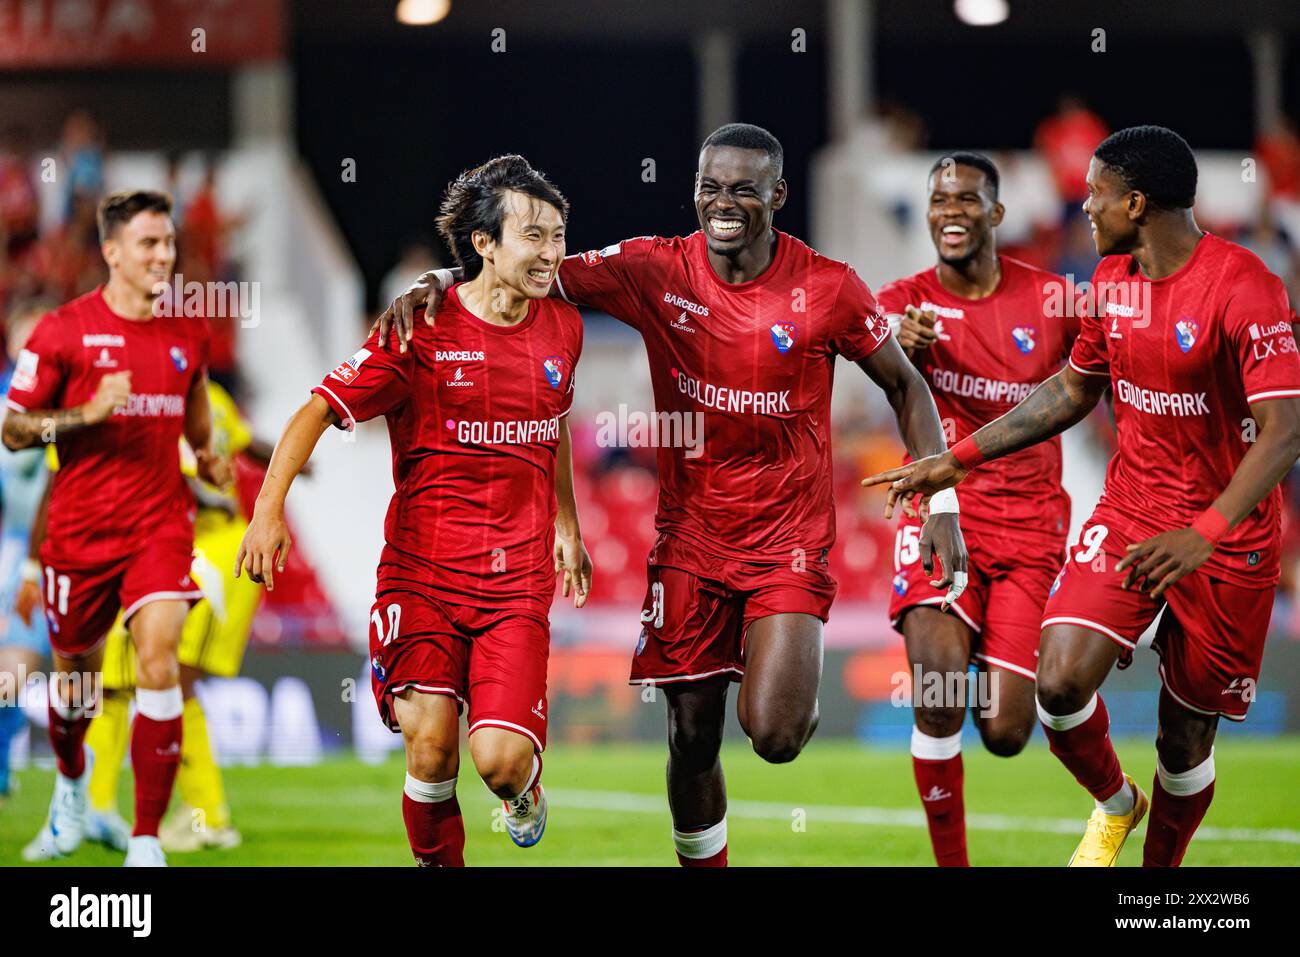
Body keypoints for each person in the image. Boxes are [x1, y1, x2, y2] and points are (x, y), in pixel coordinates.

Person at [377, 123, 967, 866]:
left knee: (776, 734)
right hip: (689, 540)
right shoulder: (654, 268)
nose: (723, 202)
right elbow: (523, 272)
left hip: (786, 541)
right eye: (710, 186)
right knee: (690, 738)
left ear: (778, 196)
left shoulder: (828, 287)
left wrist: (939, 497)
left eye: (744, 189)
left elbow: (904, 385)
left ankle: (781, 678)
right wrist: (439, 282)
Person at [863, 126, 1300, 867]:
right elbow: (1071, 390)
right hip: (1130, 513)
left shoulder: (1246, 287)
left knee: (1184, 737)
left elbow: (1284, 431)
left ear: (1136, 201)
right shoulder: (1108, 283)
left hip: (1229, 536)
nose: (1084, 209)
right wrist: (955, 460)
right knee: (1058, 683)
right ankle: (1115, 802)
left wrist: (1208, 530)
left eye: (1096, 194)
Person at [238, 155, 591, 866]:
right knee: (430, 748)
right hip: (421, 573)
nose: (551, 251)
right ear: (485, 244)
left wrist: (567, 523)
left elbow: (549, 424)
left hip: (515, 584)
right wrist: (267, 509)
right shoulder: (418, 330)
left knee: (496, 761)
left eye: (558, 235)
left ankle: (524, 788)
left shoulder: (563, 329)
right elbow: (317, 408)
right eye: (534, 234)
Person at [3, 189, 229, 867]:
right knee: (76, 689)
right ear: (111, 251)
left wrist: (212, 458)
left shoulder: (190, 332)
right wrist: (84, 415)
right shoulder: (61, 332)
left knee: (160, 656)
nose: (164, 255)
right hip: (77, 536)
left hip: (159, 527)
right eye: (149, 244)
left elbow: (196, 427)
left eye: (168, 243)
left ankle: (145, 838)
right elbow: (14, 430)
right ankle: (71, 787)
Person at [877, 152, 1079, 866]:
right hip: (942, 509)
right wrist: (901, 348)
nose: (950, 212)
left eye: (966, 200)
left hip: (1030, 526)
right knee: (936, 694)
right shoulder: (907, 301)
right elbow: (879, 337)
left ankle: (1114, 792)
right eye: (938, 200)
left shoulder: (1054, 298)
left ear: (996, 214)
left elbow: (1103, 372)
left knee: (1005, 729)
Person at [80, 380, 271, 853]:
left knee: (168, 679)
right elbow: (248, 442)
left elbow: (181, 469)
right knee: (121, 678)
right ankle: (95, 804)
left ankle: (208, 817)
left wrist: (208, 498)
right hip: (186, 551)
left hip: (205, 553)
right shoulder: (214, 396)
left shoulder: (167, 395)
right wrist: (297, 464)